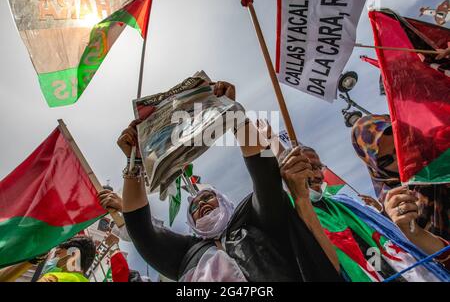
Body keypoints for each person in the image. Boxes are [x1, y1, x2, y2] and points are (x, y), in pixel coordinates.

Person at [100, 81, 342, 282]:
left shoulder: (256, 223)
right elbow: (141, 231)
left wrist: (234, 115)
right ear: (190, 222)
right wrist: (135, 161)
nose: (201, 204)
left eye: (208, 198)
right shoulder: (185, 253)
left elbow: (265, 171)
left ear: (226, 202)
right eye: (194, 207)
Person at [257, 120, 450, 281]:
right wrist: (246, 127)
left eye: (317, 167)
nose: (313, 174)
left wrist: (406, 228)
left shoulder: (352, 207)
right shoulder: (286, 215)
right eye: (302, 167)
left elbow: (416, 246)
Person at [351, 114, 450, 270]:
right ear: (377, 169)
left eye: (400, 146)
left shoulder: (444, 161)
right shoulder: (391, 212)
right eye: (386, 160)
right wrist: (409, 232)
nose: (399, 159)